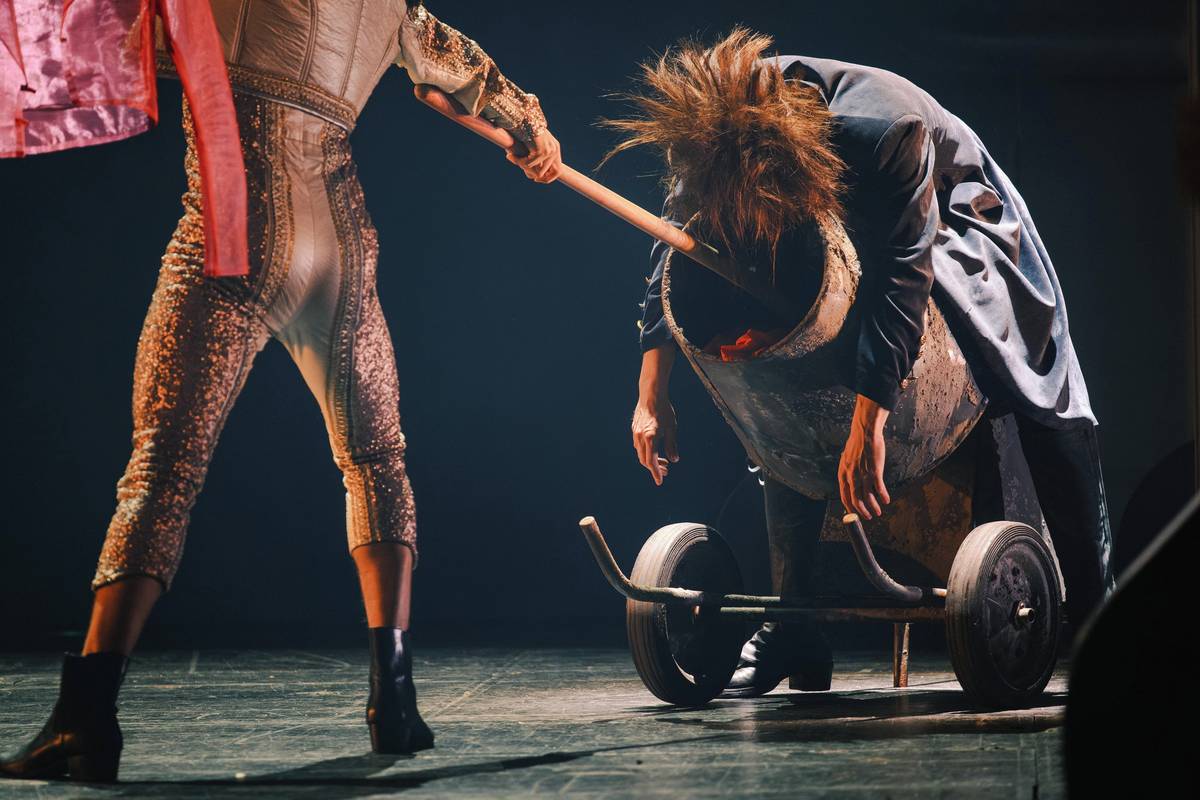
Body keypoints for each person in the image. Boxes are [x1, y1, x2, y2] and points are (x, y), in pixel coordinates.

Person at [0, 0, 561, 782]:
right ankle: (395, 701)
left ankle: (84, 716)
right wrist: (531, 129)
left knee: (162, 474)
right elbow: (462, 67)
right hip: (340, 244)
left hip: (238, 236)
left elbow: (101, 38)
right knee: (376, 461)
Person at [613, 29, 1114, 697]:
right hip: (816, 225)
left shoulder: (884, 132)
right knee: (779, 352)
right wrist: (652, 396)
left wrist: (867, 424)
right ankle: (795, 628)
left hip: (953, 214)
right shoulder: (714, 132)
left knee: (1028, 372)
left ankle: (1100, 620)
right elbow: (674, 245)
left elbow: (902, 277)